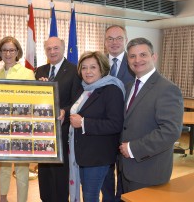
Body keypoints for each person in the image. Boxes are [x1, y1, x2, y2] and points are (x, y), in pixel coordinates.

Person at [119, 38, 183, 193]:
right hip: (126, 169)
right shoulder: (128, 87)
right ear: (128, 60)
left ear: (154, 57)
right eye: (132, 56)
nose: (137, 60)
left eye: (143, 55)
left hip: (148, 172)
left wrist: (134, 148)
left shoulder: (167, 89)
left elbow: (170, 131)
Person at [68, 51, 125, 202]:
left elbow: (115, 124)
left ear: (102, 69)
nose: (88, 71)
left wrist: (84, 123)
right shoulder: (84, 89)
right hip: (82, 154)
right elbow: (76, 112)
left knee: (90, 197)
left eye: (93, 67)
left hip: (98, 156)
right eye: (84, 67)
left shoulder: (112, 90)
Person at [35, 37, 81, 202]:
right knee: (45, 173)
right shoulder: (39, 71)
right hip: (42, 133)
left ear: (63, 49)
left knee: (59, 175)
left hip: (63, 132)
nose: (52, 52)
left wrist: (64, 111)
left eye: (56, 48)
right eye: (49, 49)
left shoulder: (75, 70)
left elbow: (78, 100)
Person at [0, 36, 35, 202]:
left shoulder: (28, 73)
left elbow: (32, 101)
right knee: (3, 166)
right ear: (0, 53)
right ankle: (3, 197)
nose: (8, 53)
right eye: (4, 50)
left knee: (22, 168)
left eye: (11, 50)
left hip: (21, 127)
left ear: (17, 52)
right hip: (1, 127)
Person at [102, 25, 135, 202]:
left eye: (119, 38)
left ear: (126, 40)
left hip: (128, 132)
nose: (114, 42)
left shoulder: (135, 64)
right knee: (105, 173)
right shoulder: (98, 64)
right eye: (110, 38)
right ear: (105, 41)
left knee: (125, 174)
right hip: (104, 132)